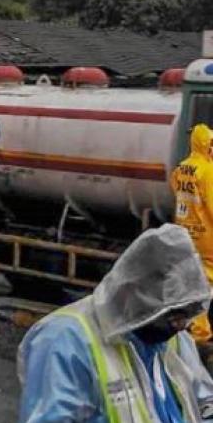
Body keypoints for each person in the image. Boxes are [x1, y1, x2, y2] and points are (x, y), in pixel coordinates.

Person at [18, 224, 213, 422]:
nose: (181, 325)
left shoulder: (173, 340)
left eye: (187, 314)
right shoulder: (66, 340)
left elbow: (204, 401)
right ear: (136, 296)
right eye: (173, 315)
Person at [173, 124, 213, 346]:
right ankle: (200, 330)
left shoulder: (182, 168)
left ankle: (194, 327)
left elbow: (176, 191)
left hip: (188, 234)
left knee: (193, 280)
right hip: (208, 238)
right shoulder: (208, 171)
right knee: (205, 284)